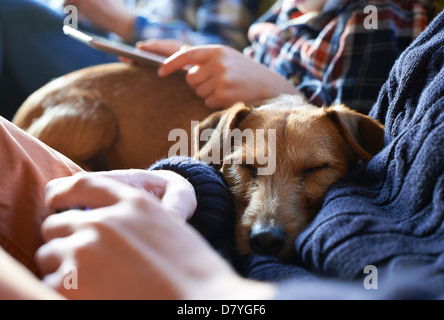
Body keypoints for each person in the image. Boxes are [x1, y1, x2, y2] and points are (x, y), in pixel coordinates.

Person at [0, 7, 444, 299]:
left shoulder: (378, 21)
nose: (268, 220)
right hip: (103, 119)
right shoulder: (279, 18)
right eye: (248, 168)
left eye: (313, 172)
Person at [137, 0, 428, 113]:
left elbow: (358, 138)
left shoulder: (374, 15)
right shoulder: (288, 9)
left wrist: (272, 89)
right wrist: (201, 63)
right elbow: (248, 66)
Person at [0, 0, 262, 120]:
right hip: (106, 49)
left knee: (11, 11)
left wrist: (126, 22)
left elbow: (228, 56)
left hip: (157, 81)